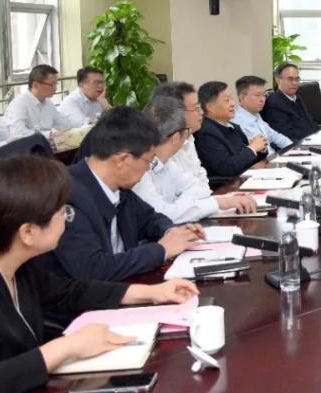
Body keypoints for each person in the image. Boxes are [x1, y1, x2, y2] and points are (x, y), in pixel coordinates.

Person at [0, 155, 198, 393]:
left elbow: (67, 291)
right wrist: (65, 348)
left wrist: (151, 293)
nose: (68, 219)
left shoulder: (11, 257)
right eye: (62, 213)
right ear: (28, 232)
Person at [36, 107, 205, 282]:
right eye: (148, 161)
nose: (148, 168)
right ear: (123, 160)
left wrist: (172, 232)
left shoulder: (119, 187)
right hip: (92, 296)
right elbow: (93, 269)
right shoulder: (66, 195)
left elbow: (149, 218)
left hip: (123, 286)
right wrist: (161, 250)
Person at [133, 97, 256, 223]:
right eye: (186, 131)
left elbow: (198, 187)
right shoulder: (138, 169)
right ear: (176, 137)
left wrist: (181, 207)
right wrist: (216, 203)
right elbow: (160, 214)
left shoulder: (167, 163)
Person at [194, 81, 267, 180]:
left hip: (246, 178)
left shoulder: (234, 127)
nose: (233, 104)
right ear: (209, 107)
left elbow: (248, 159)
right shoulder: (206, 133)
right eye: (226, 100)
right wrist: (252, 148)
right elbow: (226, 169)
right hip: (226, 185)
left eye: (232, 99)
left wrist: (260, 148)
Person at [148, 81, 210, 190]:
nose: (201, 112)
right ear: (174, 113)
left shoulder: (188, 138)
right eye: (196, 108)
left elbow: (200, 179)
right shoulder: (158, 146)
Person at [2, 64, 79, 138]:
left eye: (56, 84)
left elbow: (65, 125)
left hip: (43, 145)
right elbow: (19, 133)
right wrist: (48, 135)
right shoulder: (18, 104)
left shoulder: (48, 103)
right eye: (52, 84)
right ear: (35, 85)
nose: (55, 88)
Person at [261, 63, 321, 144]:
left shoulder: (297, 98)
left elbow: (311, 123)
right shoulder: (274, 103)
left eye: (297, 79)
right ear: (278, 80)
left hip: (311, 141)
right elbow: (287, 134)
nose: (294, 83)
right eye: (290, 79)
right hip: (295, 146)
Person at [233, 75, 293, 157]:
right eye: (257, 95)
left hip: (273, 158)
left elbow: (275, 136)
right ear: (242, 97)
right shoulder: (237, 123)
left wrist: (294, 148)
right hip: (263, 162)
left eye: (264, 95)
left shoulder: (255, 115)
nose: (262, 99)